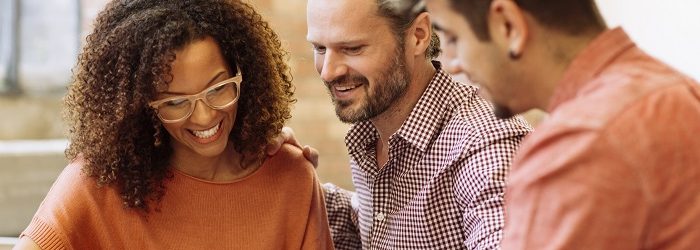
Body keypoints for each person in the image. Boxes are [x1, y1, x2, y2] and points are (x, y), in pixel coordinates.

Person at [14, 0, 333, 249]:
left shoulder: (292, 180)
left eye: (218, 88)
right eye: (176, 102)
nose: (205, 117)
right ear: (142, 105)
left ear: (244, 73)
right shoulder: (98, 186)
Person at [405, 0, 700, 248]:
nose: (454, 63)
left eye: (454, 38)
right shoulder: (676, 91)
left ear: (508, 24)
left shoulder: (579, 142)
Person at [305, 0, 531, 248]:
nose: (328, 72)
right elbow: (375, 228)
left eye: (353, 48)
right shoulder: (373, 129)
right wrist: (289, 175)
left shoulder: (485, 143)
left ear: (418, 36)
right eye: (320, 48)